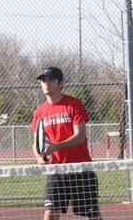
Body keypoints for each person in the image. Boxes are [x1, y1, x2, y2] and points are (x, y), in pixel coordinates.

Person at [31, 66, 103, 220]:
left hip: (81, 169)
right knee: (49, 214)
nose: (46, 83)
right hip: (56, 171)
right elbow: (36, 143)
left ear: (60, 83)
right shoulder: (40, 111)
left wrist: (55, 147)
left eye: (51, 79)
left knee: (93, 216)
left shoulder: (74, 104)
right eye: (43, 80)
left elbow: (80, 136)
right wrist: (39, 156)